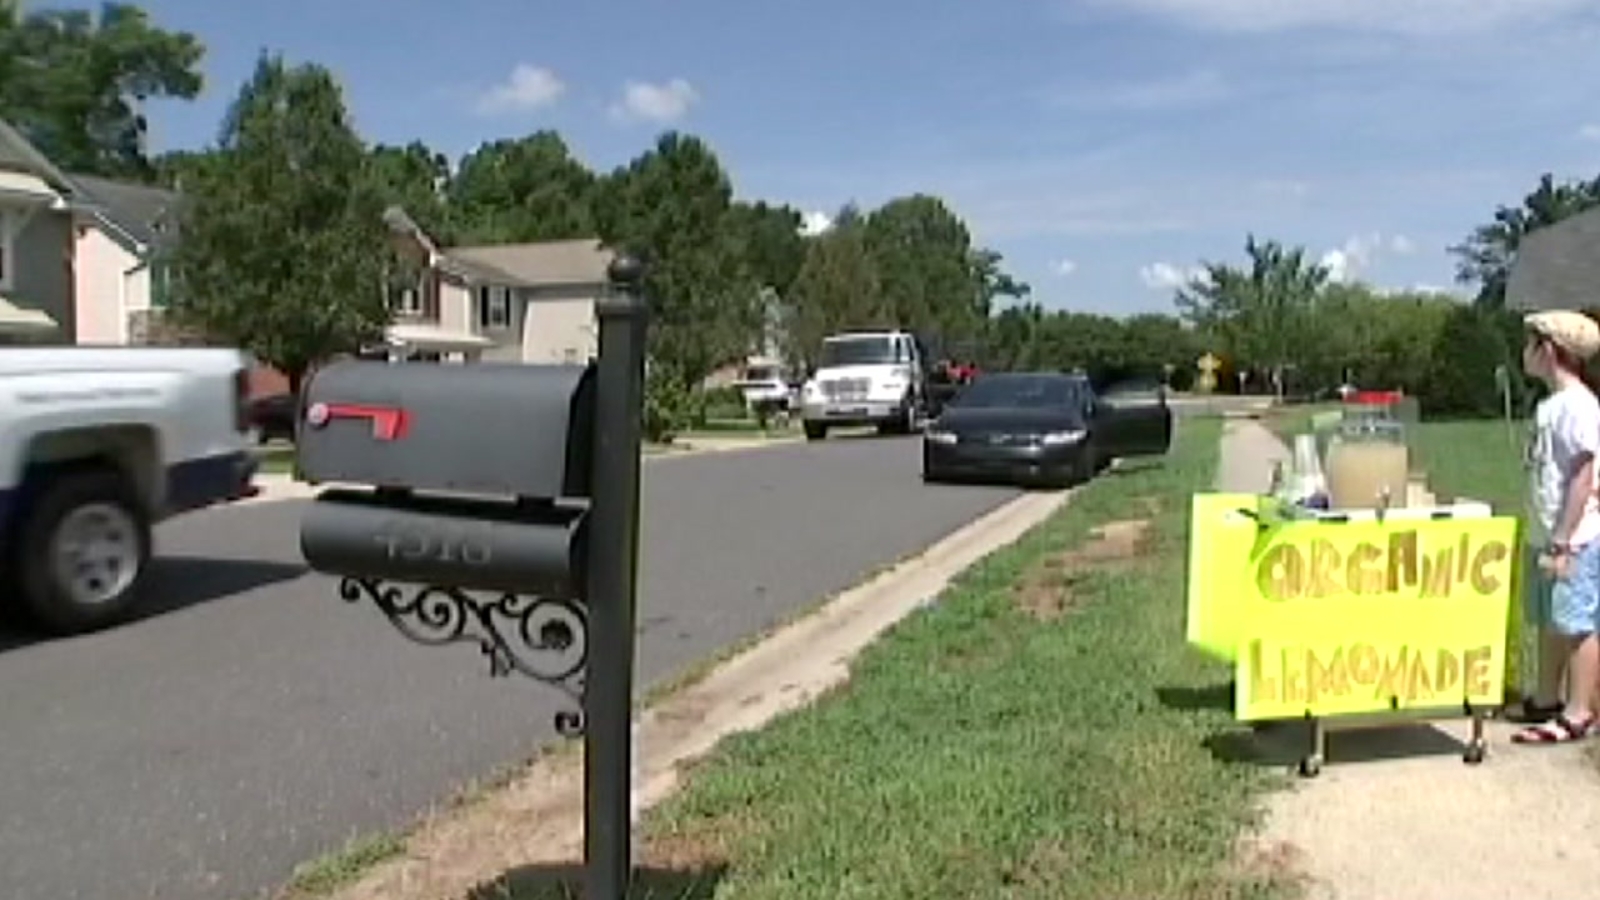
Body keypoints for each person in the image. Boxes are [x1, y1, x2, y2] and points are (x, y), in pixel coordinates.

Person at [1512, 309, 1600, 743]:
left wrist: (1564, 540)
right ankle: (1546, 696)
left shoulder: (1580, 406)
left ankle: (1578, 711)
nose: (1524, 352)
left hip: (1574, 538)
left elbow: (1584, 476)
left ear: (1549, 350)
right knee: (1549, 618)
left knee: (1577, 622)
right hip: (1547, 532)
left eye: (1530, 343)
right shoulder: (1552, 405)